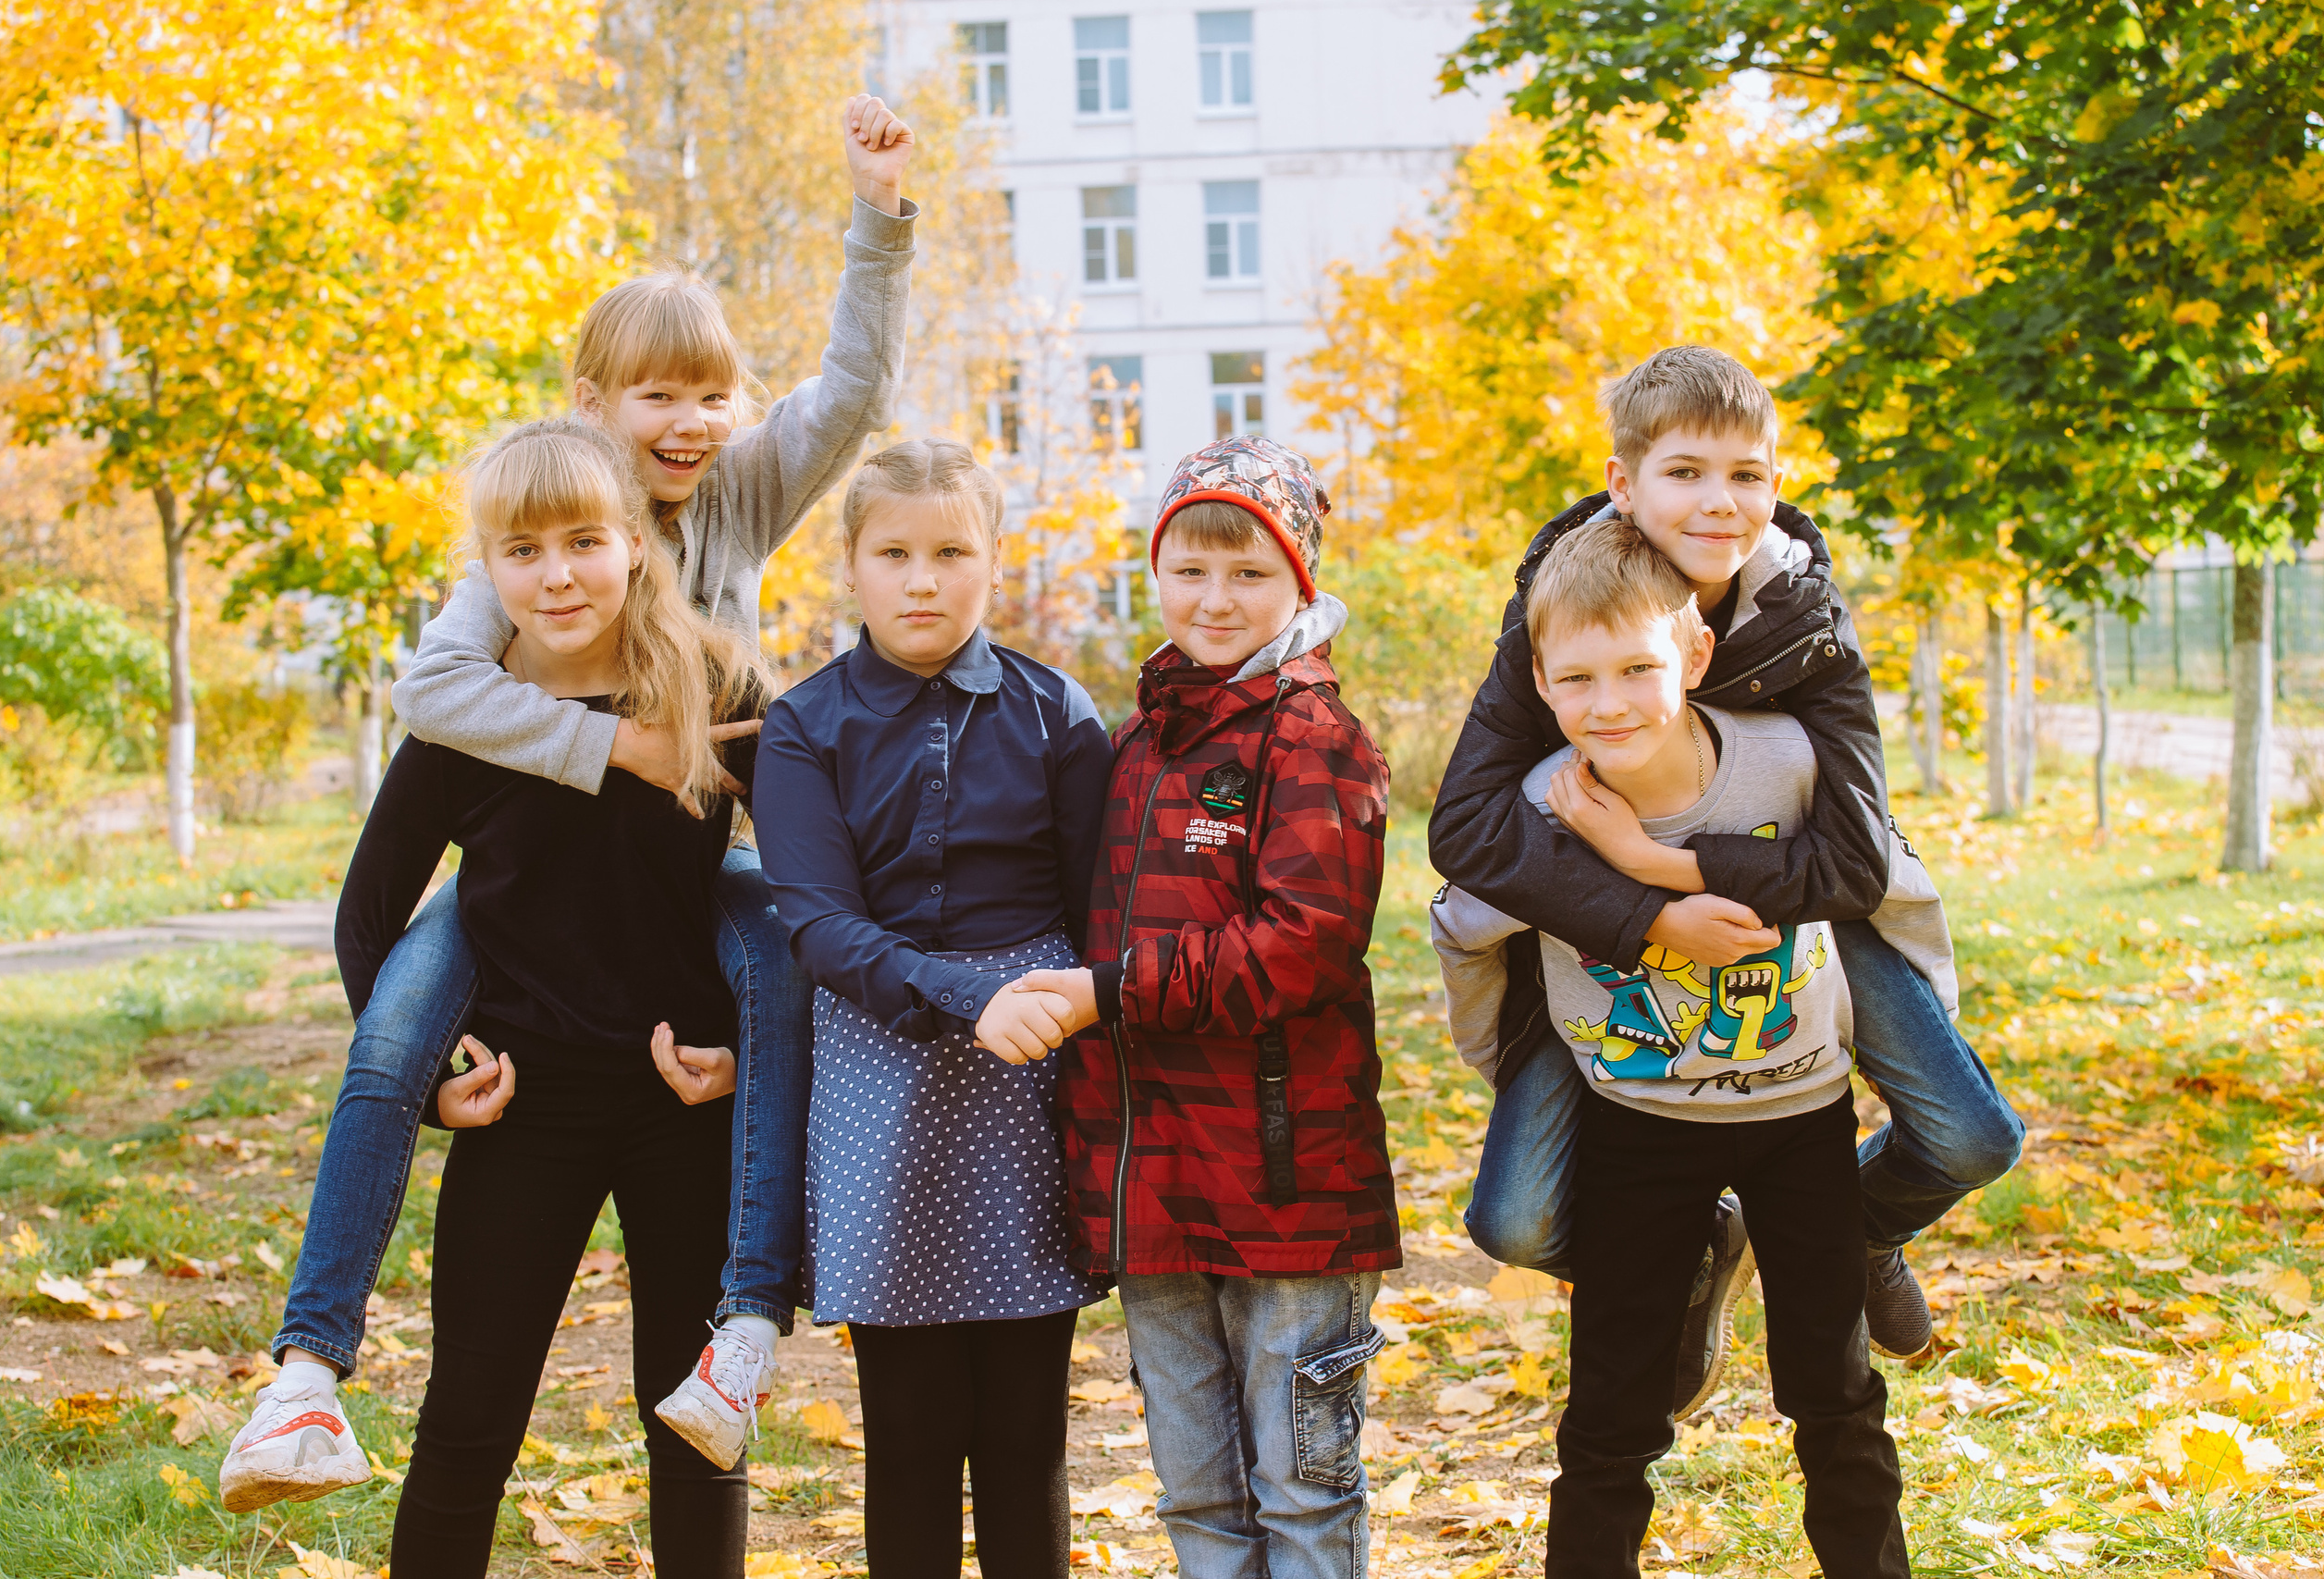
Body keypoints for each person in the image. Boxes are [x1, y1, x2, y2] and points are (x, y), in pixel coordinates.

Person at [218, 94, 918, 1511]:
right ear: (590, 406)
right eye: (656, 395)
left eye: (711, 393)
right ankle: (305, 1370)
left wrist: (880, 217)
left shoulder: (740, 495)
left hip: (694, 868)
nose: (690, 421)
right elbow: (433, 695)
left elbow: (850, 390)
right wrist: (621, 747)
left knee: (774, 964)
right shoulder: (539, 542)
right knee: (399, 1018)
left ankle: (750, 1320)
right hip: (530, 882)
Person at [1427, 346, 2021, 1387]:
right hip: (1601, 942)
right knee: (1515, 1222)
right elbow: (1467, 829)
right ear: (1624, 483)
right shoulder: (1563, 607)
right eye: (1685, 472)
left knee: (1973, 1139)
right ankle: (1700, 1247)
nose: (1718, 501)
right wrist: (1648, 916)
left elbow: (1853, 861)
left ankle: (1852, 1228)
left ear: (1776, 483)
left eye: (1746, 474)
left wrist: (1661, 862)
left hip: (1803, 916)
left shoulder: (1804, 621)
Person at [1433, 518, 1924, 1579]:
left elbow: (1889, 887)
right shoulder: (1538, 808)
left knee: (1835, 1395)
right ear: (1538, 681)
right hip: (1638, 1132)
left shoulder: (1786, 766)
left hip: (1801, 1121)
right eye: (1575, 679)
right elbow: (1464, 931)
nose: (1606, 703)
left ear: (1695, 655)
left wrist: (1910, 1021)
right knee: (1611, 1414)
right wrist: (1505, 1066)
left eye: (1636, 670)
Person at [326, 419, 763, 1574]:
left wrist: (748, 1054)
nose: (556, 576)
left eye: (582, 542)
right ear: (488, 570)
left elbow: (816, 891)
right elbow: (367, 917)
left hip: (686, 1105)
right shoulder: (467, 719)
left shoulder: (714, 686)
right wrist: (433, 1083)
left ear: (635, 543)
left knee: (696, 1430)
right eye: (522, 552)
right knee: (469, 1420)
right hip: (523, 1109)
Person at [1014, 437, 1398, 1579]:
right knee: (1197, 1498)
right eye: (1189, 570)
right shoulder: (1132, 744)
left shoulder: (1316, 741)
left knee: (1301, 1495)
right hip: (1155, 1186)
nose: (1215, 599)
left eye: (1248, 573)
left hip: (1288, 1185)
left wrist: (1108, 994)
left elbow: (1301, 947)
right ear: (1156, 574)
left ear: (1300, 582)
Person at [752, 439, 1113, 1579]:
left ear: (993, 560)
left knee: (1025, 1428)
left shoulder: (1057, 714)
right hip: (881, 1072)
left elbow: (1098, 910)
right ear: (850, 565)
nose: (922, 580)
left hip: (1031, 1074)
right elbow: (820, 926)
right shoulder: (804, 726)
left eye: (952, 552)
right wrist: (967, 995)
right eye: (894, 554)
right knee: (906, 1432)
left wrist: (1055, 1013)